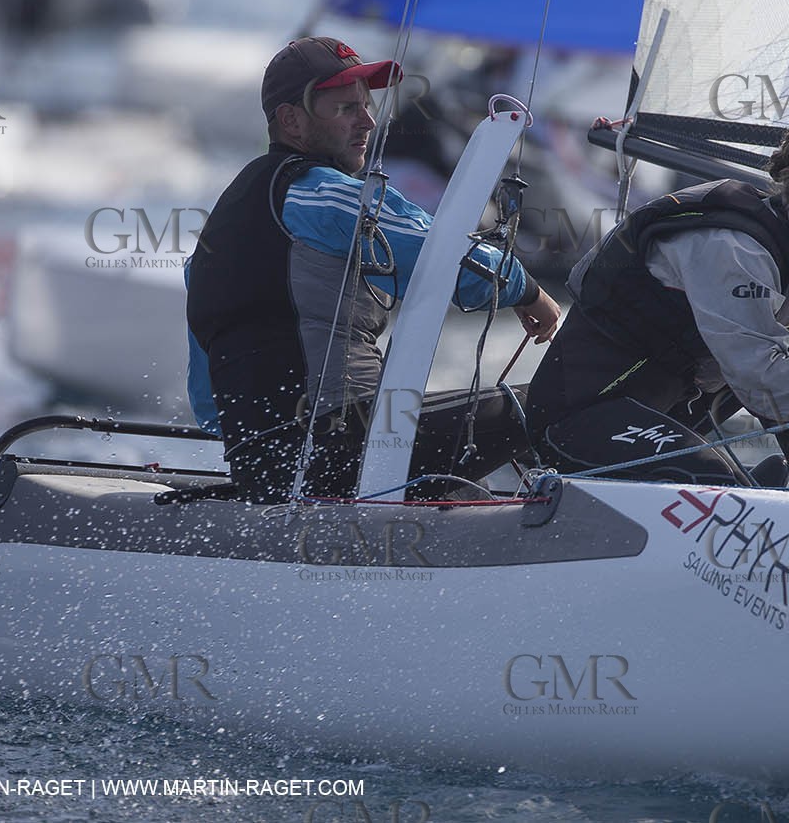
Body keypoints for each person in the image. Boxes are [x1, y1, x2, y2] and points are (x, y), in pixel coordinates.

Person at [186, 36, 561, 501]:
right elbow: (447, 253)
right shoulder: (322, 195)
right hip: (341, 446)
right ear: (292, 120)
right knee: (558, 400)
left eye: (366, 107)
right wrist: (529, 292)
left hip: (266, 463)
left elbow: (208, 404)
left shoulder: (220, 227)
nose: (367, 122)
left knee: (460, 478)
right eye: (345, 109)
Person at [526, 129, 789, 491]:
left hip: (659, 417)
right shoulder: (734, 250)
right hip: (581, 420)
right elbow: (761, 377)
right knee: (730, 477)